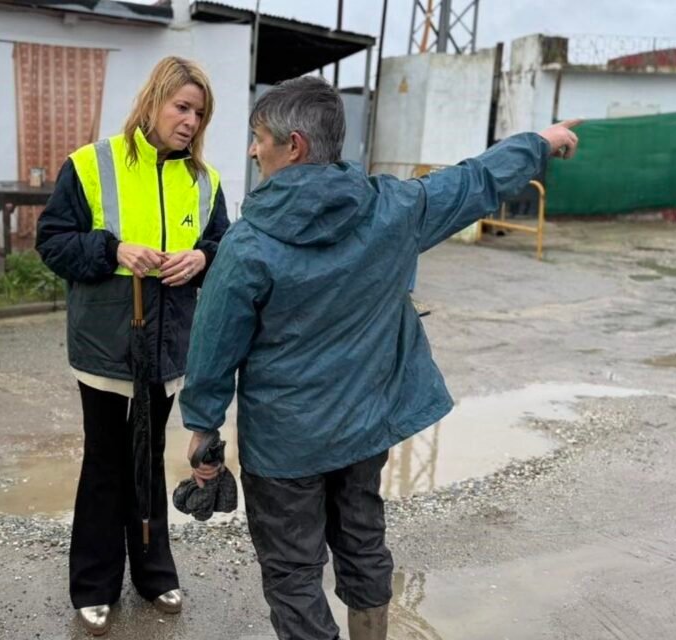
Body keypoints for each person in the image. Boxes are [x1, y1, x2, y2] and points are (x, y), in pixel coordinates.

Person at [179, 76, 580, 640]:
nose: (251, 149)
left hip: (285, 448)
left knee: (293, 573)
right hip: (364, 432)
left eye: (257, 137)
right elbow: (476, 181)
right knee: (363, 543)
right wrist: (539, 141)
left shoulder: (248, 244)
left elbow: (214, 346)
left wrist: (203, 427)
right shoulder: (395, 208)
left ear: (292, 146)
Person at [36, 56, 230, 636]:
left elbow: (225, 248)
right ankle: (94, 583)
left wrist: (204, 258)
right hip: (106, 349)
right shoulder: (90, 164)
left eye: (200, 113)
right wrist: (113, 250)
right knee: (105, 463)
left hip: (169, 349)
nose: (191, 121)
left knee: (147, 458)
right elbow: (53, 242)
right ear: (153, 102)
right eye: (182, 107)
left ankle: (153, 573)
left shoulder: (205, 180)